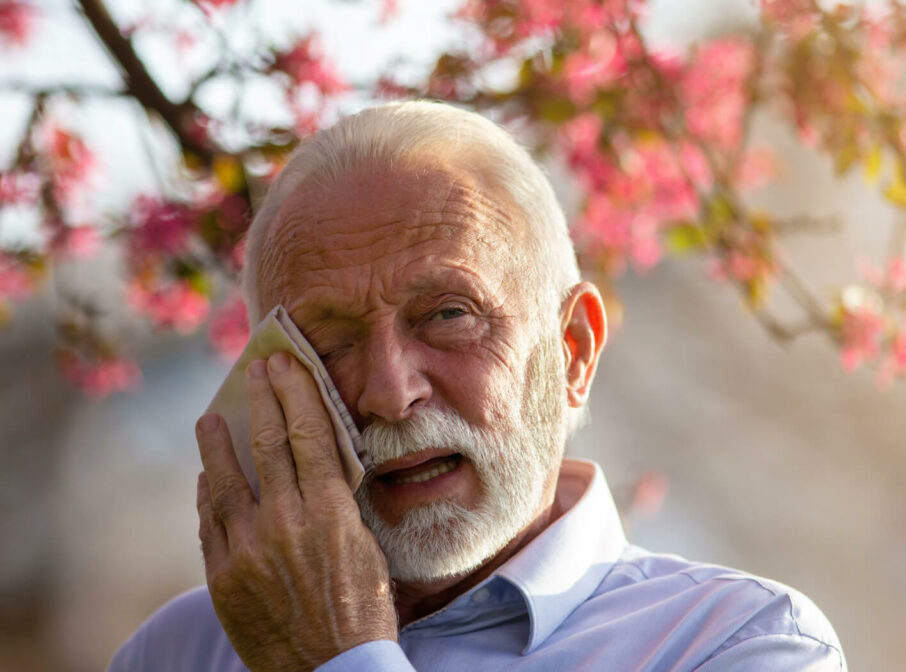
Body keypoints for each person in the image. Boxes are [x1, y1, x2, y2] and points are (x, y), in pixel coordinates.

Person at [108, 101, 846, 671]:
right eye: (328, 342)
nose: (390, 394)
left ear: (574, 351)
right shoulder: (180, 651)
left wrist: (337, 656)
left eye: (449, 315)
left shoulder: (738, 643)